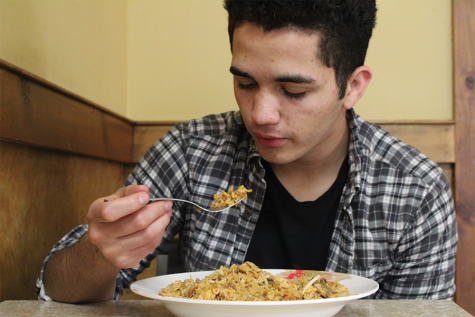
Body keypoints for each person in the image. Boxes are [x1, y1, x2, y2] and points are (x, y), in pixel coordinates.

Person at [37, 0, 457, 302]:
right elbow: (56, 288)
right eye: (245, 83)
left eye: (293, 90)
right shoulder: (193, 151)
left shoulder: (414, 191)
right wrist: (103, 251)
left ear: (353, 86)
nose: (261, 115)